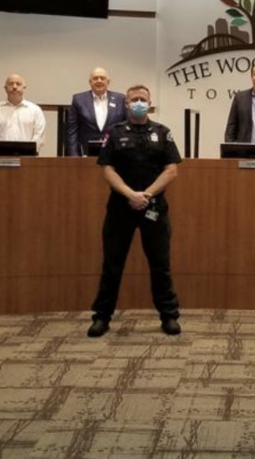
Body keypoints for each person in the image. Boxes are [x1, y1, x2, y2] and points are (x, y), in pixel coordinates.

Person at [88, 85, 182, 338]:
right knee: (112, 265)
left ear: (150, 103)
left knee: (160, 265)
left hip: (154, 209)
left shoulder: (163, 133)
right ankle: (102, 317)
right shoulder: (115, 133)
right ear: (126, 104)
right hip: (121, 208)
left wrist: (146, 194)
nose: (138, 103)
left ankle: (169, 316)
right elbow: (107, 170)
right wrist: (130, 194)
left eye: (143, 99)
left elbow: (171, 170)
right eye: (133, 100)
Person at [67, 67, 128, 156]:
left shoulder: (121, 99)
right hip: (86, 153)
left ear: (108, 82)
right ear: (90, 82)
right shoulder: (78, 99)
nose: (99, 81)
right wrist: (74, 157)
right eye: (95, 78)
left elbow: (126, 127)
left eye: (102, 78)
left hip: (115, 153)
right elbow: (72, 132)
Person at [0, 73, 46, 147]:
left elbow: (39, 135)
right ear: (5, 88)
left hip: (27, 157)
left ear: (24, 87)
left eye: (18, 84)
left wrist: (28, 152)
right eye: (11, 84)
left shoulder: (35, 110)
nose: (14, 87)